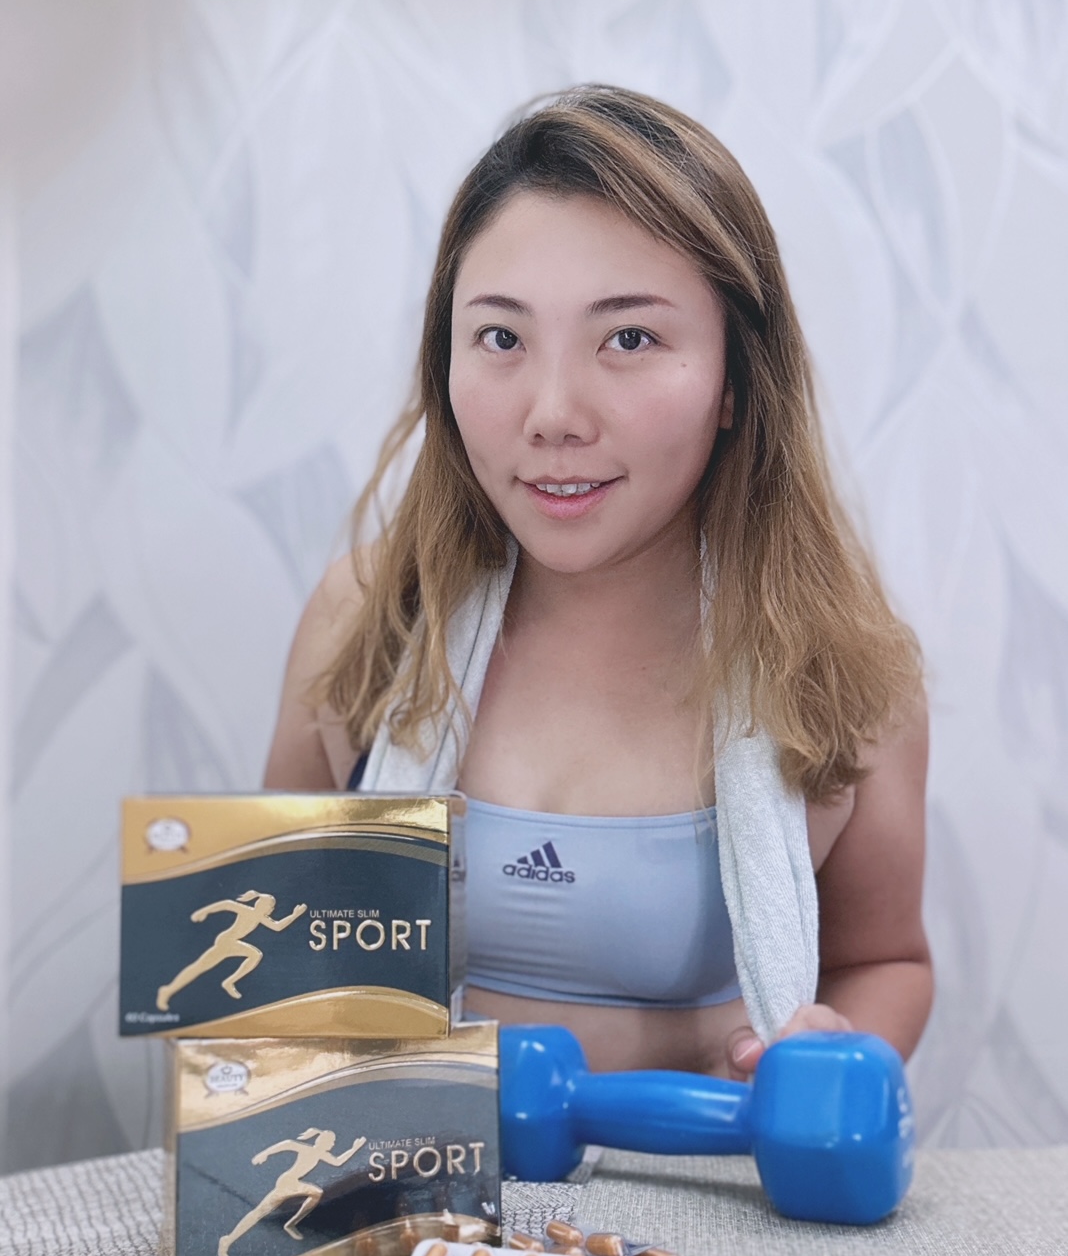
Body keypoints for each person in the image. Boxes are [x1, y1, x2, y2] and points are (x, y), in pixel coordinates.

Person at [264, 86, 932, 1080]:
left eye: (629, 339)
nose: (554, 414)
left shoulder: (840, 667)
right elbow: (271, 946)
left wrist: (831, 1067)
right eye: (502, 338)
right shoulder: (365, 621)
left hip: (701, 1180)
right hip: (407, 1180)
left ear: (735, 380)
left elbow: (884, 961)